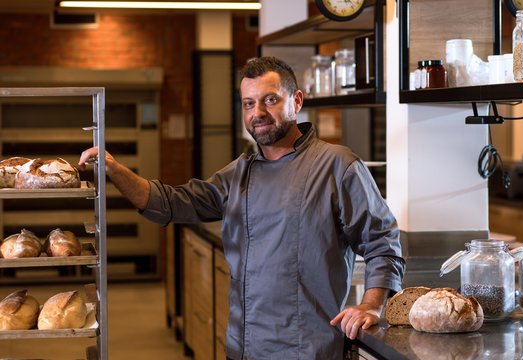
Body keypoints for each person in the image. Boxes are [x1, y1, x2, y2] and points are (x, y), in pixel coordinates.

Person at [79, 56, 405, 360]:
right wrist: (114, 170)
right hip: (243, 347)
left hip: (307, 349)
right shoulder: (240, 172)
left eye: (270, 99)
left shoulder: (338, 166)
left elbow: (382, 244)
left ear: (297, 101)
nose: (257, 112)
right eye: (248, 103)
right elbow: (171, 203)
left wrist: (372, 306)